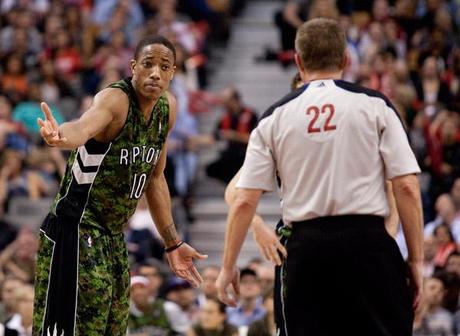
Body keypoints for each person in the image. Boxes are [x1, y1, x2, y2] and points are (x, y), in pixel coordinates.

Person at [216, 18, 424, 336]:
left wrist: (228, 267)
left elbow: (242, 198)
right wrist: (416, 261)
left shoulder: (274, 116)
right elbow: (406, 187)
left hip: (306, 247)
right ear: (346, 59)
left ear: (298, 61)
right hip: (368, 243)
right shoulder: (377, 105)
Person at [32, 35, 207, 336]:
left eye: (164, 67)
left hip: (112, 234)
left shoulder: (167, 110)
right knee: (78, 327)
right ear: (133, 66)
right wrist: (60, 136)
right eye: (148, 64)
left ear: (173, 73)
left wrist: (173, 243)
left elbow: (155, 177)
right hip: (77, 227)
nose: (155, 72)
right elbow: (83, 127)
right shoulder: (115, 100)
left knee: (114, 326)